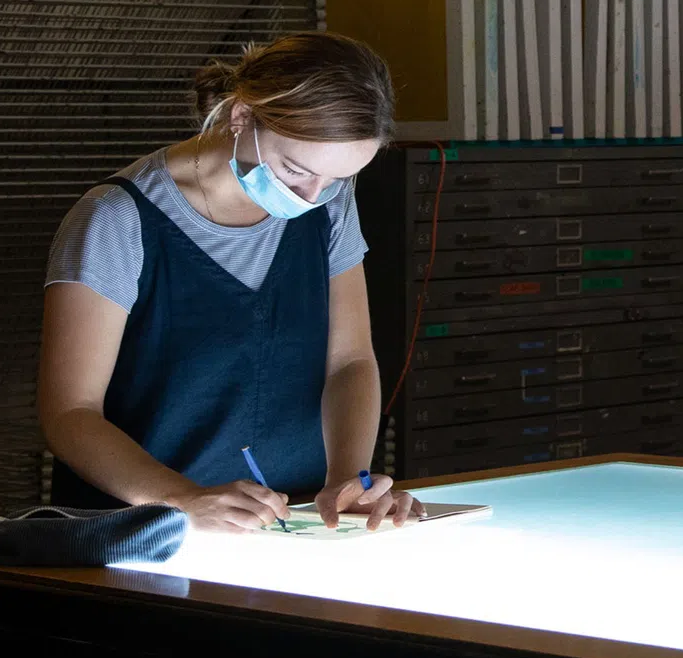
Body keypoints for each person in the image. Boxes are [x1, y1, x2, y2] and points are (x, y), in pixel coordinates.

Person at [39, 32, 422, 533]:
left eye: (336, 180)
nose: (312, 195)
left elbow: (349, 361)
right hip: (145, 532)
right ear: (242, 118)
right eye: (296, 169)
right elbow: (70, 413)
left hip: (294, 524)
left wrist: (348, 478)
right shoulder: (115, 219)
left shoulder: (328, 204)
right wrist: (183, 500)